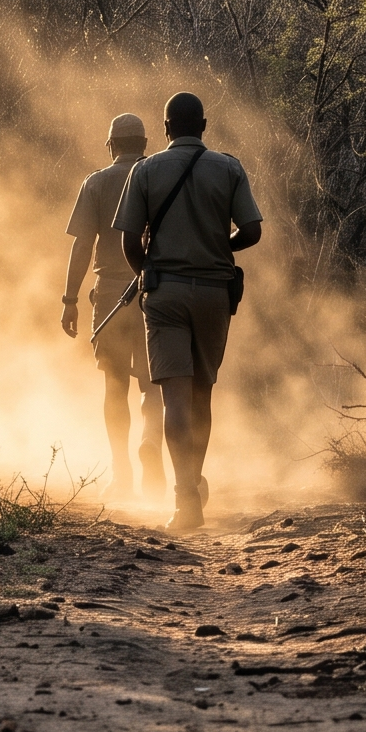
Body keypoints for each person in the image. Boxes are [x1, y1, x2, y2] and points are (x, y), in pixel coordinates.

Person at [112, 91, 262, 531]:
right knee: (202, 394)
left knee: (173, 398)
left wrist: (149, 275)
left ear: (165, 129)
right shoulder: (229, 168)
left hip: (166, 296)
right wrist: (219, 249)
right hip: (215, 294)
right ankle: (194, 480)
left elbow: (127, 242)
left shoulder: (145, 170)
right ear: (205, 125)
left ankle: (185, 501)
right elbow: (251, 231)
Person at [62, 113, 166, 499]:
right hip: (155, 290)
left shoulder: (96, 183)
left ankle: (121, 473)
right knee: (153, 381)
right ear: (145, 143)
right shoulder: (159, 176)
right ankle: (151, 443)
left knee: (114, 383)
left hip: (109, 296)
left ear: (111, 146)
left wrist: (70, 299)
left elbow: (82, 245)